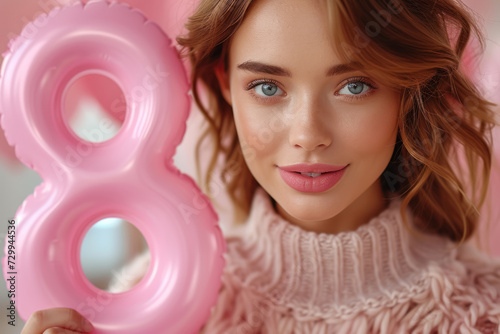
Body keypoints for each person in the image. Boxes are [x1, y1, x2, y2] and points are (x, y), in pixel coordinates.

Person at [21, 0, 500, 333]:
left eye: (354, 85)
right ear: (225, 84)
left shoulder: (485, 315)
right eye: (268, 88)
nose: (308, 133)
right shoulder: (146, 302)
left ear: (406, 90)